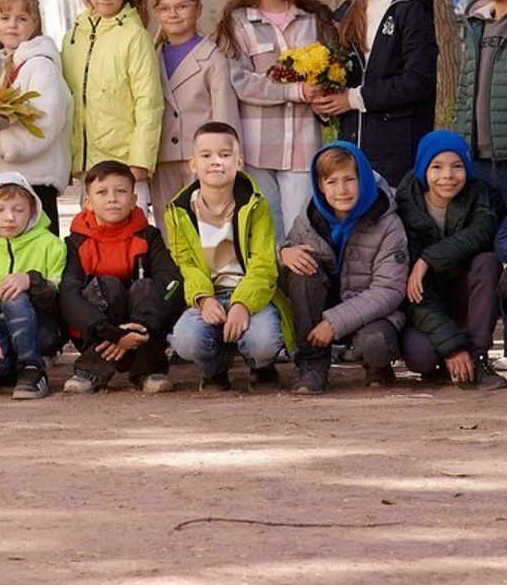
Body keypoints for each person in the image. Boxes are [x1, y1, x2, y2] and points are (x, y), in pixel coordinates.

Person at [214, 0, 337, 247]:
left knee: (303, 231)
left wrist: (322, 96)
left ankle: (303, 296)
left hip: (303, 145)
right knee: (268, 236)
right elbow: (239, 81)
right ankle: (271, 297)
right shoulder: (236, 23)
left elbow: (334, 74)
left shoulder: (314, 19)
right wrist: (294, 92)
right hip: (257, 147)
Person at [163, 122, 292, 392]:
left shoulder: (255, 205)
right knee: (186, 339)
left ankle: (261, 366)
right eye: (206, 155)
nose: (216, 162)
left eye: (224, 154)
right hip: (208, 294)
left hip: (252, 295)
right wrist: (204, 298)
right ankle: (215, 369)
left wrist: (243, 303)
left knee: (264, 342)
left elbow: (263, 264)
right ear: (193, 164)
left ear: (239, 161)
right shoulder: (179, 210)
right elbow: (184, 264)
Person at [311, 0, 436, 187]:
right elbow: (341, 79)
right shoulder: (345, 15)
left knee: (393, 224)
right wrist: (326, 104)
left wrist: (354, 99)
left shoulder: (411, 7)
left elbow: (418, 81)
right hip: (351, 152)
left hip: (398, 151)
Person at [278, 142, 407, 394]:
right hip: (320, 307)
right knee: (302, 272)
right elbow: (284, 255)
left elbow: (389, 290)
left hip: (368, 310)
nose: (342, 190)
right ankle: (311, 366)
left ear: (364, 179)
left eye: (350, 179)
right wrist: (283, 254)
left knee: (376, 344)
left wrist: (334, 323)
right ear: (320, 185)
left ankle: (377, 366)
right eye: (332, 182)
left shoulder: (387, 222)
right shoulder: (309, 218)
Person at [60, 160, 182, 395]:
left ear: (135, 200)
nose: (112, 198)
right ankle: (89, 371)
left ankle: (148, 370)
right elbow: (69, 295)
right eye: (102, 192)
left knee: (147, 288)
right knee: (107, 285)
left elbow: (172, 282)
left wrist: (139, 329)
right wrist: (114, 333)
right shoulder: (76, 242)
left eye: (121, 191)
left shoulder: (149, 236)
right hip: (100, 332)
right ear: (88, 203)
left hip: (145, 332)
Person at [396, 131, 506, 389]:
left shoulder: (477, 194)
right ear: (424, 170)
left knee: (487, 262)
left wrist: (428, 260)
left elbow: (483, 230)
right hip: (423, 305)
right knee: (420, 357)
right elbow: (413, 293)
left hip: (463, 298)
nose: (448, 175)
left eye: (457, 166)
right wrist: (453, 347)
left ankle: (478, 357)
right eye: (437, 167)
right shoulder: (405, 206)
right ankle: (452, 359)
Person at [61, 0, 163, 212]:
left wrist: (140, 160)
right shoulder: (73, 37)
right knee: (89, 239)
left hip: (123, 165)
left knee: (126, 239)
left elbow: (149, 103)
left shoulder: (134, 36)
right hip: (86, 166)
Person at [0, 0, 73, 234]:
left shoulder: (41, 67)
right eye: (5, 18)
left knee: (39, 252)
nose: (12, 25)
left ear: (35, 23)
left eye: (22, 19)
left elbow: (46, 120)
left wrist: (4, 144)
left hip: (35, 179)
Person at [0, 172, 67, 399]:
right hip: (1, 325)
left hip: (42, 326)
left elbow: (59, 298)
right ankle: (11, 368)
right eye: (0, 210)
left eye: (18, 210)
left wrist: (31, 281)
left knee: (13, 295)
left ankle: (32, 369)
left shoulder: (51, 245)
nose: (9, 217)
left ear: (33, 211)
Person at [150, 0, 241, 221]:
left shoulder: (213, 58)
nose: (173, 14)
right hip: (162, 155)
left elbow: (224, 115)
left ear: (198, 9)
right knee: (167, 220)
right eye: (165, 8)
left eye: (182, 6)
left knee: (205, 219)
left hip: (201, 156)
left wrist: (224, 157)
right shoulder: (151, 56)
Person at [453, 0, 507, 203]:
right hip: (477, 156)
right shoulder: (476, 23)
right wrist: (459, 141)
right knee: (484, 234)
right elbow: (465, 90)